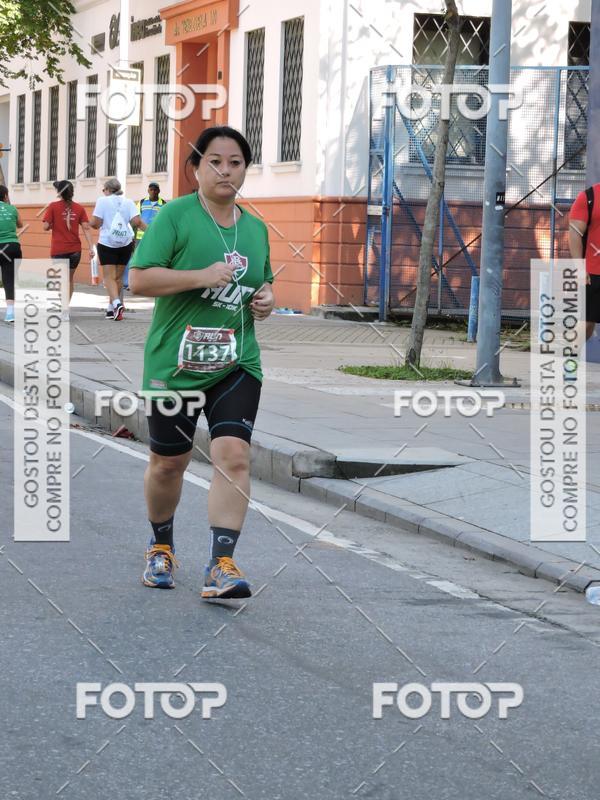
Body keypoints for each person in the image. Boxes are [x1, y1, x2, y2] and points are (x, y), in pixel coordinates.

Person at [129, 125, 275, 598]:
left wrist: (266, 298)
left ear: (244, 171)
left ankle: (222, 564)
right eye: (215, 161)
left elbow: (262, 283)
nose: (225, 170)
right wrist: (200, 276)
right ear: (196, 169)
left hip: (236, 363)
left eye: (235, 162)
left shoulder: (254, 228)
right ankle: (161, 546)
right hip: (174, 364)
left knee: (233, 456)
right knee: (168, 464)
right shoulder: (175, 217)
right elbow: (140, 281)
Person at [89, 178, 144, 320]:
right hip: (125, 244)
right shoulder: (129, 202)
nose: (103, 192)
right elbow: (137, 222)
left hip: (107, 244)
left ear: (107, 189)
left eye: (103, 190)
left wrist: (94, 224)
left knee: (108, 278)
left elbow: (95, 223)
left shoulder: (102, 201)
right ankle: (111, 309)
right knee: (118, 277)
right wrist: (152, 233)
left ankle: (117, 303)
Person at [42, 180, 94, 318]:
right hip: (75, 250)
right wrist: (91, 247)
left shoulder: (52, 207)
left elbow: (45, 227)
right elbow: (87, 228)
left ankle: (62, 308)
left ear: (59, 192)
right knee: (69, 280)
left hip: (59, 249)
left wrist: (54, 224)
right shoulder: (79, 208)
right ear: (72, 192)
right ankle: (65, 310)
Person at [122, 181, 167, 291]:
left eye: (155, 189)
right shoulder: (141, 203)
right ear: (148, 190)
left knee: (154, 260)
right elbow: (134, 219)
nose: (153, 191)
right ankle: (128, 283)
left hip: (156, 238)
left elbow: (166, 222)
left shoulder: (164, 204)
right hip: (140, 237)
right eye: (151, 189)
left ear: (159, 191)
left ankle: (151, 283)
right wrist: (131, 235)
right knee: (135, 259)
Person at [569, 183, 600, 340]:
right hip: (594, 272)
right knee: (587, 322)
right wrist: (580, 268)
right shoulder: (589, 197)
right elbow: (574, 234)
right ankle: (570, 358)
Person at [0, 185, 23, 323]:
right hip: (12, 246)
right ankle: (10, 313)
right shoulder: (13, 209)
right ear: (6, 196)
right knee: (9, 279)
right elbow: (20, 224)